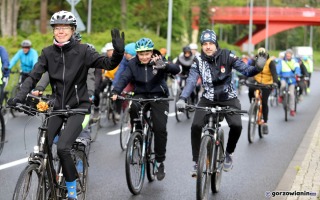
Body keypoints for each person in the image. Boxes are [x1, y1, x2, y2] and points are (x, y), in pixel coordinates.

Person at [7, 10, 124, 200]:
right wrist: (19, 96)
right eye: (57, 28)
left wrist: (118, 53)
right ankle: (51, 177)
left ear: (72, 30)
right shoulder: (47, 53)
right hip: (57, 107)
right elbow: (34, 76)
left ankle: (71, 190)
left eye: (65, 28)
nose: (60, 31)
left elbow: (107, 64)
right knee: (44, 144)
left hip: (79, 108)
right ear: (53, 31)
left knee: (62, 147)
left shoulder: (84, 51)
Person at [175, 29, 267, 176]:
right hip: (208, 98)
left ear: (216, 44)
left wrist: (258, 67)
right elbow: (191, 80)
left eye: (211, 43)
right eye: (205, 44)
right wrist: (182, 98)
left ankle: (229, 153)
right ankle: (196, 161)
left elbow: (246, 70)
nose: (208, 46)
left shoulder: (227, 55)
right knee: (196, 125)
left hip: (228, 98)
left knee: (237, 126)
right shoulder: (198, 60)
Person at [111, 37, 180, 181]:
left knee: (160, 128)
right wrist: (116, 91)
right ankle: (137, 132)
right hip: (141, 94)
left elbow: (176, 69)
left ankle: (160, 161)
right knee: (133, 106)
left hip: (159, 96)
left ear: (151, 52)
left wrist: (164, 65)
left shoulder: (158, 59)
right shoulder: (132, 63)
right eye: (141, 54)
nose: (144, 57)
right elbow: (124, 77)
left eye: (146, 53)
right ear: (137, 54)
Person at [247, 47, 278, 135]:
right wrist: (245, 79)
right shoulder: (255, 60)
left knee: (264, 102)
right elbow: (249, 70)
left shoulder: (270, 62)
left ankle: (265, 123)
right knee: (250, 89)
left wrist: (275, 82)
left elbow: (274, 73)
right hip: (256, 82)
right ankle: (253, 106)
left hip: (267, 84)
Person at [277, 49, 301, 117]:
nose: (288, 57)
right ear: (285, 55)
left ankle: (292, 110)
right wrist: (277, 74)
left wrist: (297, 73)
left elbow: (297, 68)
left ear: (291, 55)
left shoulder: (295, 61)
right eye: (287, 55)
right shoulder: (281, 61)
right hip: (283, 78)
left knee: (292, 94)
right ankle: (281, 95)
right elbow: (278, 68)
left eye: (289, 55)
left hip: (292, 79)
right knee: (283, 85)